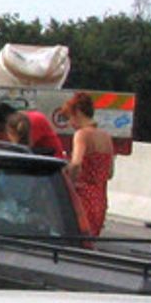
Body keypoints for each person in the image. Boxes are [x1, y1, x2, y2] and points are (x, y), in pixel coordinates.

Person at [61, 91, 115, 234]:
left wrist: (68, 184)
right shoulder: (106, 137)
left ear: (78, 112)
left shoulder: (82, 135)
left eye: (69, 117)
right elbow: (110, 173)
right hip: (100, 199)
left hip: (83, 199)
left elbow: (76, 164)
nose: (70, 123)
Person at [0, 99, 66, 159]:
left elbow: (21, 149)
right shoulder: (30, 119)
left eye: (1, 130)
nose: (4, 134)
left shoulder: (33, 120)